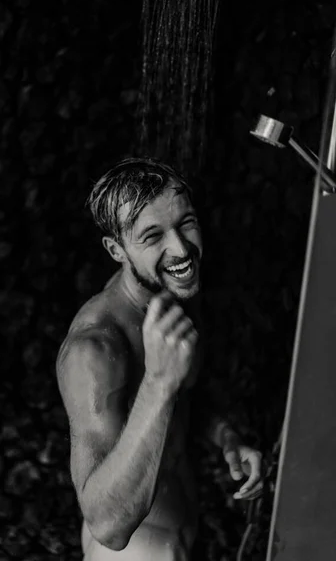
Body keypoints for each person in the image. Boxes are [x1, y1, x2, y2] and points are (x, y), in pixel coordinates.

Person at [56, 158, 263, 561]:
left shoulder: (171, 291)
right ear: (117, 249)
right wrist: (158, 382)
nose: (181, 249)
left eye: (186, 222)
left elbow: (183, 400)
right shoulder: (94, 349)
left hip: (182, 534)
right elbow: (107, 526)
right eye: (152, 236)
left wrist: (226, 438)